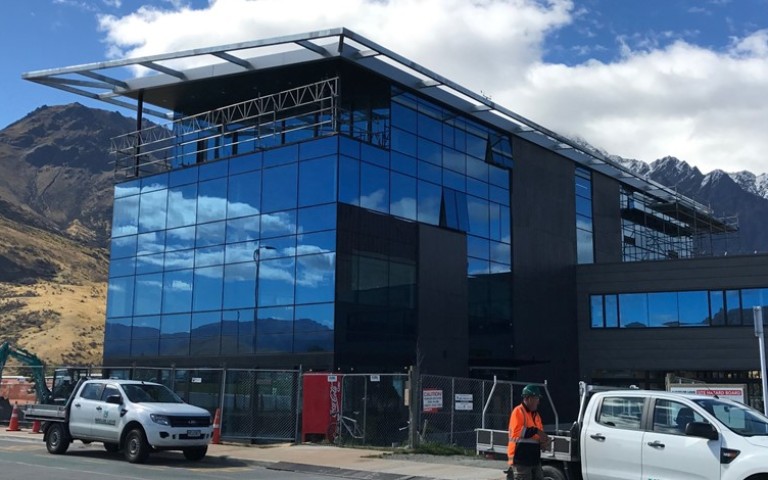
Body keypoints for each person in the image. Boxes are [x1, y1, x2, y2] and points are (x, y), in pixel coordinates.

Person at [507, 384, 551, 480]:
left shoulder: (536, 415)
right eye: (536, 398)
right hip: (521, 460)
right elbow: (517, 431)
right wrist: (536, 431)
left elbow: (539, 434)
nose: (538, 402)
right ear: (528, 398)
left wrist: (543, 442)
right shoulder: (518, 411)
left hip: (534, 460)